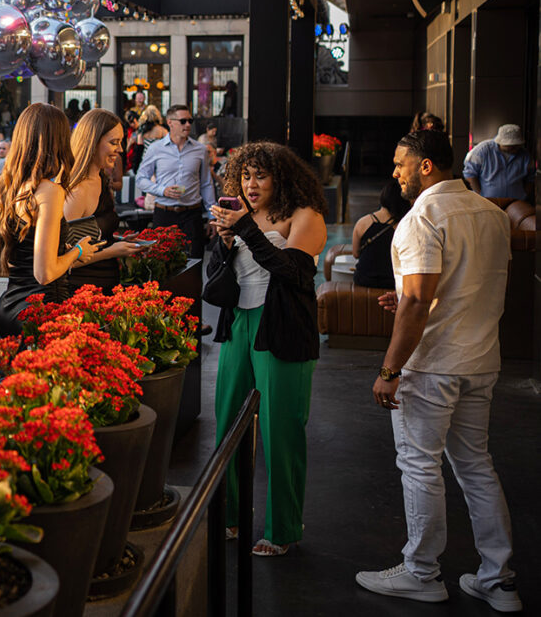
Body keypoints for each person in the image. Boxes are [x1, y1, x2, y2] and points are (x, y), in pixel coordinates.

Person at [356, 131, 521, 611]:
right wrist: (412, 300)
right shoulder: (492, 215)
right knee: (476, 467)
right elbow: (457, 286)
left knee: (419, 465)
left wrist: (390, 369)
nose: (395, 172)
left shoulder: (422, 216)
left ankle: (421, 572)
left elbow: (416, 298)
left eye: (400, 163)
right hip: (481, 360)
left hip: (431, 367)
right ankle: (499, 578)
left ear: (425, 166)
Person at [208, 141, 328, 556]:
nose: (251, 183)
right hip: (239, 322)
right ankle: (228, 515)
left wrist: (243, 229)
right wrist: (223, 242)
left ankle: (282, 528)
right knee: (228, 425)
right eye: (245, 175)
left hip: (282, 327)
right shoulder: (244, 216)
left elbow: (293, 271)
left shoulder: (305, 216)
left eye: (261, 175)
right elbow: (218, 278)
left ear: (282, 178)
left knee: (281, 429)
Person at [0, 104, 100, 336]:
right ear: (60, 140)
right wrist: (77, 251)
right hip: (42, 310)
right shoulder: (50, 191)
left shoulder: (4, 189)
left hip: (8, 308)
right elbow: (44, 273)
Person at [65, 110, 143, 291]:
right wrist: (113, 250)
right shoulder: (78, 190)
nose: (121, 149)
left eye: (120, 142)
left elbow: (89, 237)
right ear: (92, 142)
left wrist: (116, 240)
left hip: (105, 286)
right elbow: (64, 259)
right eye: (113, 142)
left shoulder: (101, 179)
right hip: (82, 292)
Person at [136, 104, 216, 258]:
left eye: (190, 121)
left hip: (192, 214)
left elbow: (206, 183)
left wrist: (213, 215)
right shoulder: (156, 148)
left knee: (194, 262)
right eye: (183, 121)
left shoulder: (200, 149)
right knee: (162, 263)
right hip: (165, 213)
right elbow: (141, 179)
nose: (187, 125)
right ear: (170, 122)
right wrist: (162, 190)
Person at [351, 179, 411, 289]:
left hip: (363, 279)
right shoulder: (403, 226)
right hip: (391, 281)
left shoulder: (362, 222)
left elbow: (355, 254)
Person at [462, 123, 533, 200]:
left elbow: (531, 178)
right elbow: (470, 175)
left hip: (515, 202)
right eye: (509, 146)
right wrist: (480, 196)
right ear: (500, 142)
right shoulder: (482, 151)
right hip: (489, 202)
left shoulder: (525, 155)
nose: (514, 148)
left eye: (516, 145)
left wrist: (524, 195)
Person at [130, 104, 168, 173]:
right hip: (159, 160)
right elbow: (168, 146)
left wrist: (135, 167)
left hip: (145, 160)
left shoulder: (142, 130)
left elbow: (139, 150)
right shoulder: (162, 130)